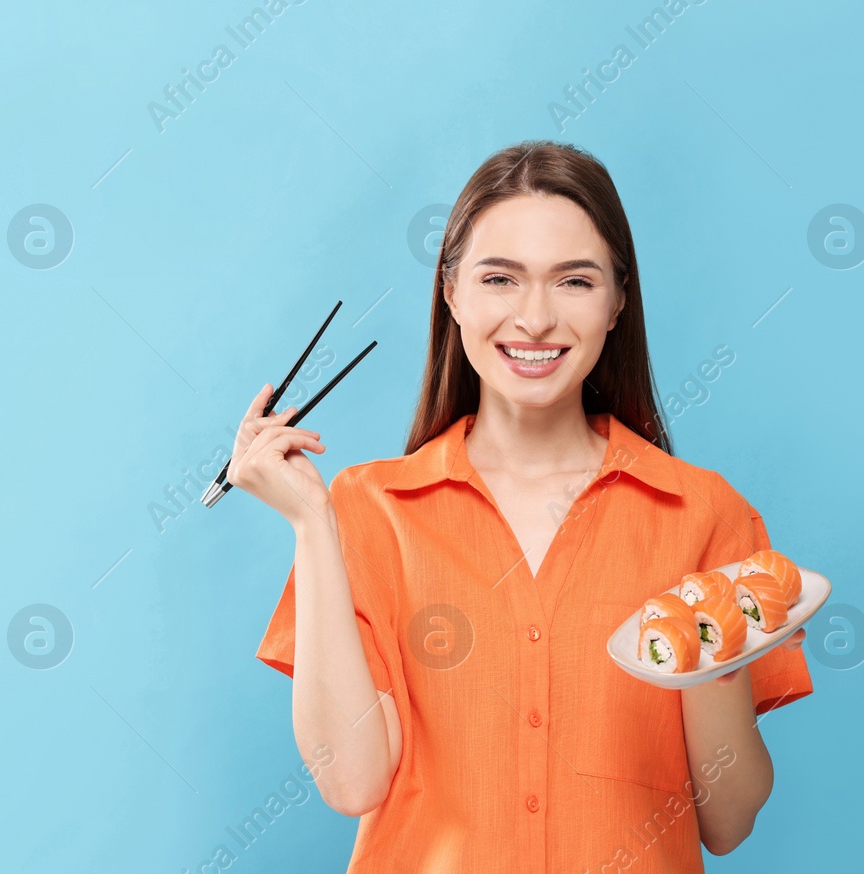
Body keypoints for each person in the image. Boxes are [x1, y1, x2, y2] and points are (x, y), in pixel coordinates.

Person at [225, 140, 814, 873]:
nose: (534, 319)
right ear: (451, 292)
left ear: (617, 300)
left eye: (574, 281)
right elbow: (351, 781)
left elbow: (728, 822)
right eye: (500, 279)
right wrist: (311, 525)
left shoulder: (706, 515)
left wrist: (713, 645)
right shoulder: (370, 508)